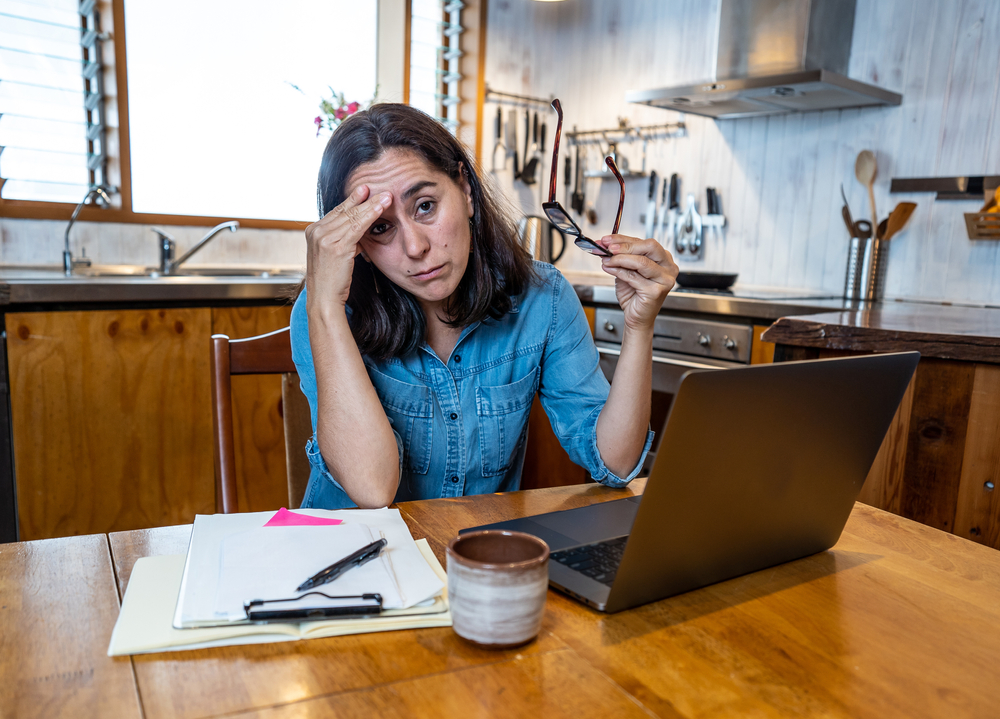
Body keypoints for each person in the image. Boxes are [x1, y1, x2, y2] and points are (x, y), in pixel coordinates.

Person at [290, 103, 678, 509]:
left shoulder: (542, 298)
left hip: (471, 559)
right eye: (380, 228)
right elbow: (373, 489)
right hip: (351, 559)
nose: (415, 247)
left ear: (466, 189)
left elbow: (616, 462)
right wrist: (324, 307)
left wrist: (639, 327)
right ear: (359, 246)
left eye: (425, 206)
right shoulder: (326, 312)